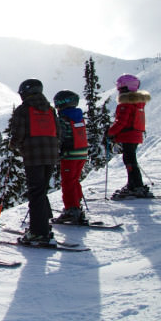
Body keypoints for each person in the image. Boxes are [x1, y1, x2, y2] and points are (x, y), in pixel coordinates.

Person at [10, 78, 60, 246]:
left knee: (36, 193)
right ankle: (43, 225)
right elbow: (58, 132)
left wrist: (14, 146)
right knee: (42, 191)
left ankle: (39, 232)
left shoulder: (23, 110)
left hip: (33, 156)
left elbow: (19, 134)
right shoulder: (50, 110)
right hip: (51, 155)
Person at [108, 74, 152, 199]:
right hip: (135, 134)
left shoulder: (126, 103)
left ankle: (136, 186)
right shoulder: (137, 103)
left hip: (129, 134)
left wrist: (110, 132)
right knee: (130, 159)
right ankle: (134, 184)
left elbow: (121, 122)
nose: (118, 89)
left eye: (120, 87)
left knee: (129, 160)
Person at [52, 90, 89, 224]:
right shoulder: (78, 116)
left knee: (67, 182)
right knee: (74, 180)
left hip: (70, 154)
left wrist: (55, 152)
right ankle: (76, 206)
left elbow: (59, 137)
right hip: (82, 153)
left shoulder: (64, 119)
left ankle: (71, 210)